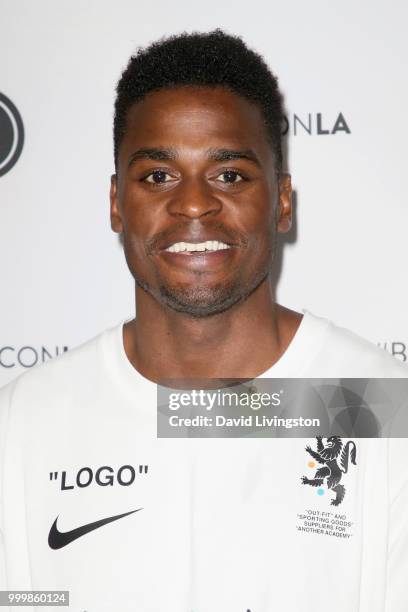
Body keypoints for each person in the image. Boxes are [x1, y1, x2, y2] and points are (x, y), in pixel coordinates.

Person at [0, 29, 407, 612]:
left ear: (283, 202)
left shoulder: (379, 405)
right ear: (117, 203)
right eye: (159, 176)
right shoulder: (21, 424)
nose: (194, 204)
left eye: (230, 175)